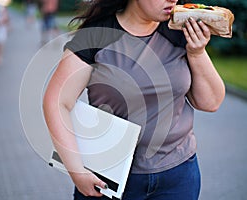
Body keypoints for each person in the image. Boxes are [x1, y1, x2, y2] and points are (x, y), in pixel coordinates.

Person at [43, 0, 225, 199]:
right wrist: (76, 170)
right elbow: (56, 102)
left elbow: (210, 102)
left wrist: (197, 53)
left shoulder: (179, 31)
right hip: (109, 179)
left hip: (178, 175)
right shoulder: (96, 35)